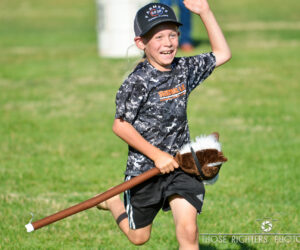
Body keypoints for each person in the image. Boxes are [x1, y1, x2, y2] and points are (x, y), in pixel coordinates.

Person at [97, 1, 231, 249]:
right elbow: (121, 126)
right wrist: (157, 156)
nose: (168, 43)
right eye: (158, 37)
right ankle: (115, 200)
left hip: (182, 164)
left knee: (189, 231)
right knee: (139, 238)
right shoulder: (137, 82)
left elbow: (223, 54)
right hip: (145, 170)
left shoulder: (183, 69)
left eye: (172, 35)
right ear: (141, 43)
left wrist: (205, 12)